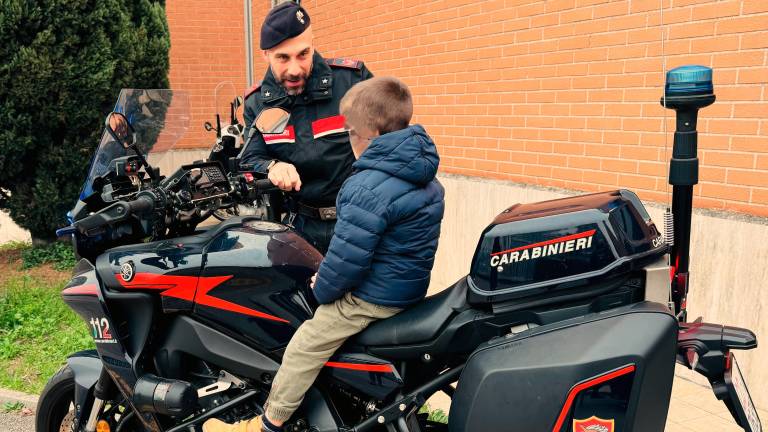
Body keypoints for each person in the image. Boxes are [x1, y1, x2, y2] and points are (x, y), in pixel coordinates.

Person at [203, 77, 445, 432]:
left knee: (305, 343)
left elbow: (348, 259)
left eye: (350, 133)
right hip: (407, 288)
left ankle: (269, 421)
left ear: (371, 135)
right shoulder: (423, 174)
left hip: (373, 298)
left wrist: (324, 288)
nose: (348, 141)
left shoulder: (365, 187)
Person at [239, 1, 373, 254]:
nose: (295, 69)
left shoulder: (352, 81)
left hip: (357, 222)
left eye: (303, 54)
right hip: (297, 228)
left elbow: (389, 142)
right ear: (265, 54)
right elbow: (250, 158)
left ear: (313, 44)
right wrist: (272, 166)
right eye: (282, 57)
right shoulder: (256, 102)